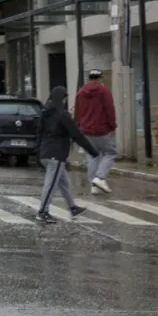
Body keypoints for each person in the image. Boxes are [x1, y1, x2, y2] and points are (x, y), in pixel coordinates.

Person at [36, 86, 99, 224]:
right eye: (65, 98)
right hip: (56, 154)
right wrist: (92, 151)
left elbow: (39, 133)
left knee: (64, 182)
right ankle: (43, 212)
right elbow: (76, 135)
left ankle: (72, 207)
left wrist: (37, 152)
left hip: (46, 154)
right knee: (51, 184)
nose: (65, 101)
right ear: (61, 98)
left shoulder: (45, 112)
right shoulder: (62, 115)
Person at [74, 69, 117, 195]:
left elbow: (77, 111)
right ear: (100, 78)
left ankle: (94, 184)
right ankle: (100, 177)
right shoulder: (104, 91)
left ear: (89, 78)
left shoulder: (81, 92)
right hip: (101, 128)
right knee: (111, 152)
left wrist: (78, 127)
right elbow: (110, 109)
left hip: (85, 129)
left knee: (92, 154)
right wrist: (112, 125)